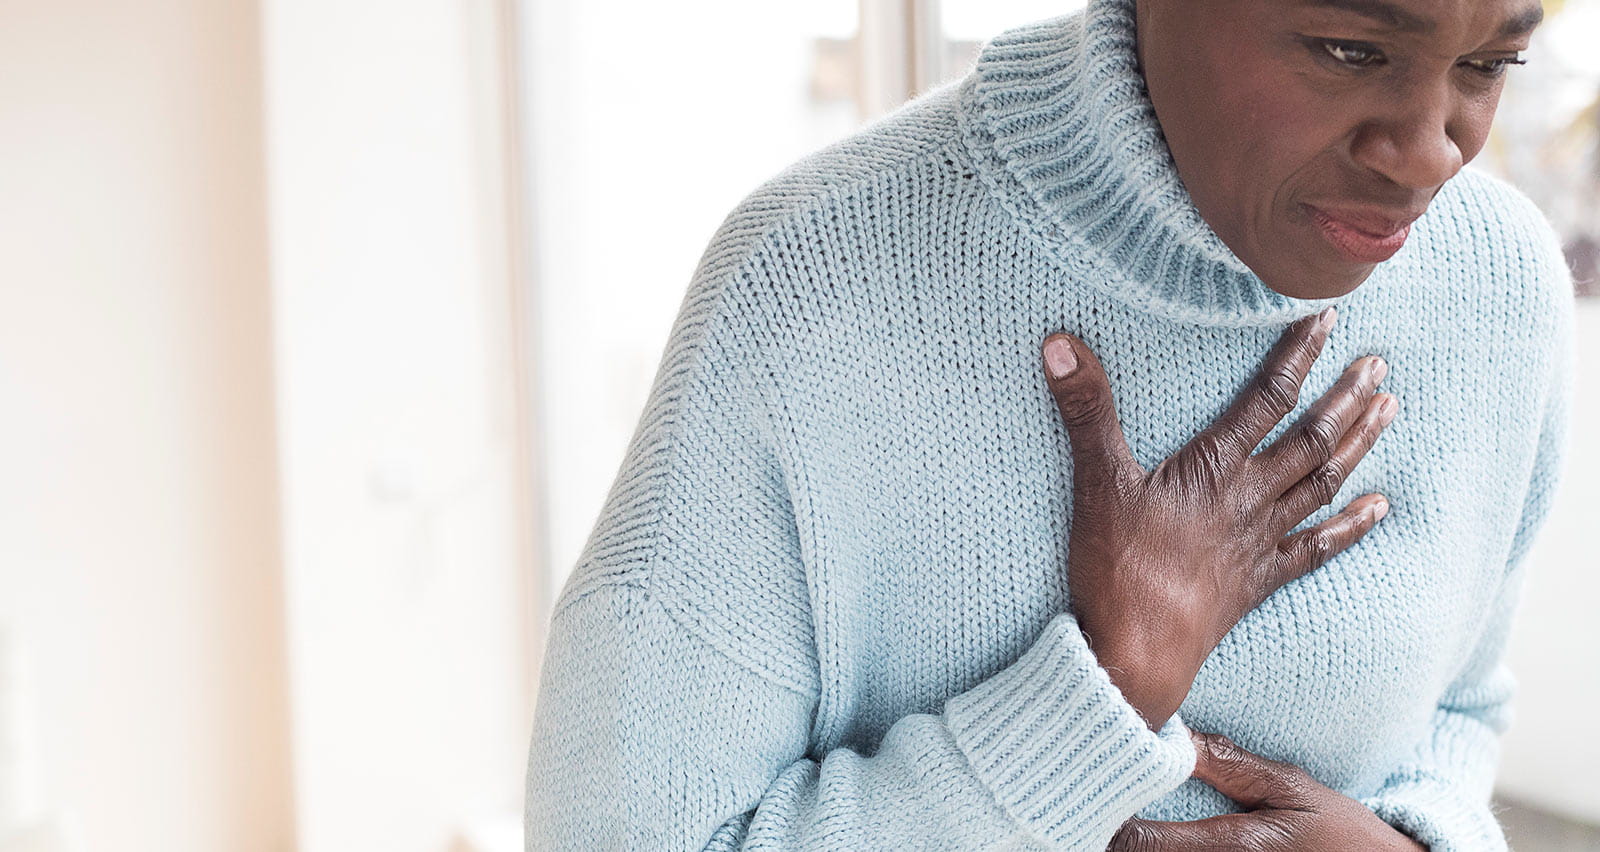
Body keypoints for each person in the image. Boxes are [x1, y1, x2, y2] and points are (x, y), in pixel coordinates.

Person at [525, 0, 1574, 849]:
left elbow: (1457, 712)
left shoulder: (1498, 284)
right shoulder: (810, 289)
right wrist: (1103, 694)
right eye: (1351, 49)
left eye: (1489, 64)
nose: (1426, 154)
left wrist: (1415, 842)